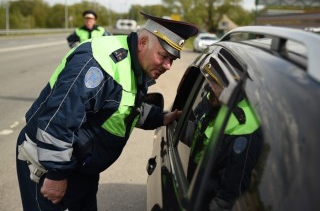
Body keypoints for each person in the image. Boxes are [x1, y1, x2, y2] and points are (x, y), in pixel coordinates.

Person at [16, 12, 199, 211]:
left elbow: (122, 108)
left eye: (172, 60)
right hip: (48, 163)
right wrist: (56, 174)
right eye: (163, 56)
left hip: (80, 167)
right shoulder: (100, 63)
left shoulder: (134, 66)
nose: (168, 66)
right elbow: (59, 118)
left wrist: (161, 117)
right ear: (143, 42)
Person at [187, 60, 263, 211]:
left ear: (231, 88)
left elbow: (228, 198)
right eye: (209, 79)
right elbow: (196, 127)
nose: (208, 85)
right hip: (194, 186)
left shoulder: (244, 129)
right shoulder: (215, 97)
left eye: (214, 82)